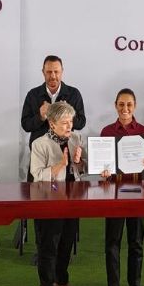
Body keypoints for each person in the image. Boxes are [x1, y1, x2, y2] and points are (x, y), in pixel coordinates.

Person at [20, 55, 86, 261]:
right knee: (41, 207)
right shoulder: (33, 95)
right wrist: (41, 116)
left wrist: (66, 118)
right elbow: (25, 124)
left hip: (65, 153)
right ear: (43, 73)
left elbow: (82, 121)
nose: (53, 76)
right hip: (41, 155)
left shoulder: (73, 93)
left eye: (56, 71)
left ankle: (63, 254)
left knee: (67, 208)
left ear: (62, 72)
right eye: (49, 72)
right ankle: (42, 251)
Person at [99, 88, 144, 286]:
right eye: (121, 104)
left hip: (137, 193)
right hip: (114, 193)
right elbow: (102, 163)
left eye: (129, 104)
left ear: (135, 106)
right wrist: (103, 171)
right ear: (115, 105)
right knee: (112, 242)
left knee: (136, 242)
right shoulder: (107, 132)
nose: (125, 109)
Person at [30, 101, 86, 286]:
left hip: (72, 200)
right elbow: (37, 176)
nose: (69, 126)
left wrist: (79, 162)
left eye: (70, 121)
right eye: (64, 122)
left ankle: (61, 281)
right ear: (52, 123)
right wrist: (61, 164)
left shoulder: (76, 139)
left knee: (67, 242)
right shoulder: (39, 144)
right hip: (48, 200)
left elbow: (82, 169)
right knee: (48, 245)